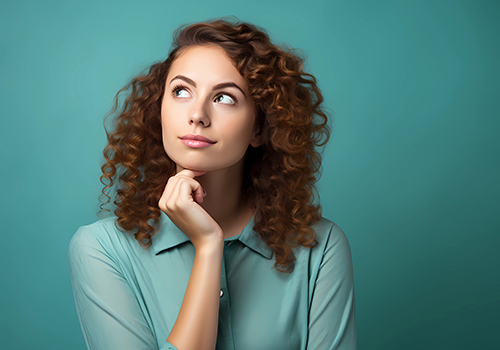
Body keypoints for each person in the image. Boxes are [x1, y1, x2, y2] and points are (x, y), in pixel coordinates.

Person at [68, 17, 356, 350]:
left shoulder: (320, 249)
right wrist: (208, 248)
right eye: (181, 91)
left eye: (224, 98)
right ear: (158, 110)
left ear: (260, 129)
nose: (198, 114)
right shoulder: (101, 250)